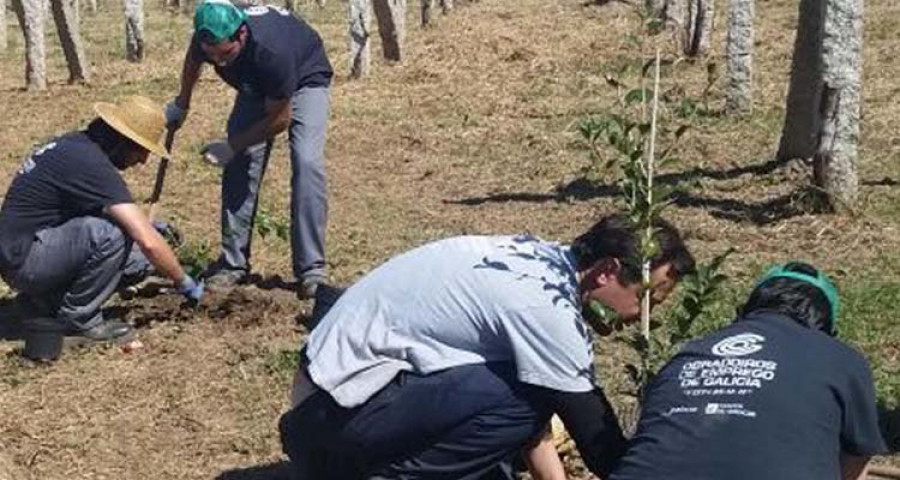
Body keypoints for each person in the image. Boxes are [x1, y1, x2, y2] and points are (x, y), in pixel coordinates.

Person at [279, 214, 696, 480]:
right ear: (607, 271)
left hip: (327, 412)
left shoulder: (538, 262)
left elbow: (539, 423)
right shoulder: (546, 311)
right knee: (530, 392)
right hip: (330, 428)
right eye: (645, 299)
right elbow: (600, 447)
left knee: (531, 387)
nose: (639, 317)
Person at [610, 262, 887, 480]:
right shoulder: (841, 358)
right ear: (826, 327)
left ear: (745, 312)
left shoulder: (687, 355)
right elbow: (855, 461)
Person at [0, 96, 205, 344]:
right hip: (27, 262)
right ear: (123, 142)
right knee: (112, 235)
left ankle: (47, 300)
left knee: (137, 262)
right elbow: (147, 240)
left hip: (29, 251)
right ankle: (78, 321)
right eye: (141, 150)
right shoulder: (90, 163)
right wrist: (184, 282)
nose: (142, 161)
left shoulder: (76, 146)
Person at [164, 0, 333, 299]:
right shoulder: (206, 37)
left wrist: (232, 145)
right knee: (240, 163)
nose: (221, 62)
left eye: (226, 54)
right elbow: (193, 62)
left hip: (305, 76)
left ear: (241, 34)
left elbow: (280, 119)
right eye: (213, 56)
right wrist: (182, 103)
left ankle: (311, 270)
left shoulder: (271, 52)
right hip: (255, 83)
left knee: (306, 162)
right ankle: (233, 263)